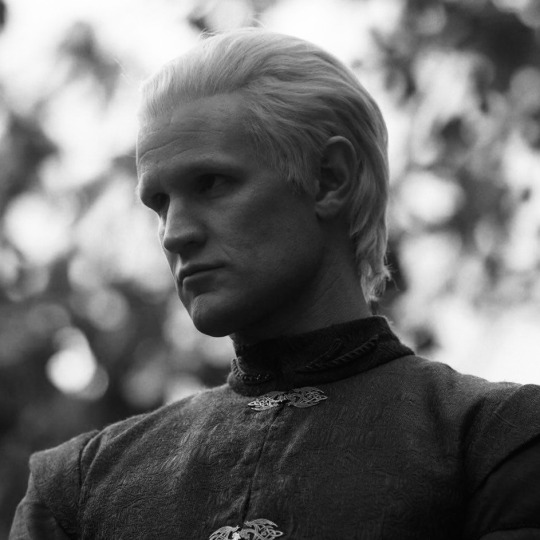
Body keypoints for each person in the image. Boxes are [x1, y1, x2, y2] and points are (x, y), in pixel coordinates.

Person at [10, 28, 540, 540]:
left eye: (210, 183)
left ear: (330, 179)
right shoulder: (76, 490)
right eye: (159, 203)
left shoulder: (498, 441)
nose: (174, 234)